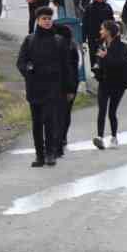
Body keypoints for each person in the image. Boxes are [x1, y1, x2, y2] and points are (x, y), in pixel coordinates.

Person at [16, 6, 75, 167]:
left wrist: (69, 88)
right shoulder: (29, 40)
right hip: (35, 87)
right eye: (44, 19)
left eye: (49, 19)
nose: (47, 22)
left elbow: (66, 67)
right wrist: (28, 69)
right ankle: (39, 155)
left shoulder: (59, 41)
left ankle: (50, 153)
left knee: (50, 120)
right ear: (38, 20)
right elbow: (21, 62)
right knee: (36, 123)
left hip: (53, 88)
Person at [92, 20, 127, 149]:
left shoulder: (122, 47)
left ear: (108, 31)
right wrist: (97, 69)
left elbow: (121, 63)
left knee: (112, 112)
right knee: (102, 110)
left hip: (117, 83)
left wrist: (106, 57)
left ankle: (114, 137)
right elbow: (100, 62)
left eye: (102, 29)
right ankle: (99, 137)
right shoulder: (102, 45)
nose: (100, 31)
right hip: (104, 82)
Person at [53, 19, 81, 158]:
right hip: (70, 85)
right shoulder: (72, 46)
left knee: (61, 113)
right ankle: (62, 137)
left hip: (68, 85)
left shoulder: (68, 48)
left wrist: (70, 88)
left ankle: (60, 138)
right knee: (65, 113)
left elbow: (74, 69)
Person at [81, 0, 114, 77]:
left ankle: (105, 69)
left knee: (105, 52)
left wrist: (113, 34)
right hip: (92, 34)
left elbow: (112, 21)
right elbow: (85, 24)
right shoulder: (89, 8)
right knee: (93, 53)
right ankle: (94, 70)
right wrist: (83, 38)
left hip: (106, 34)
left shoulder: (107, 7)